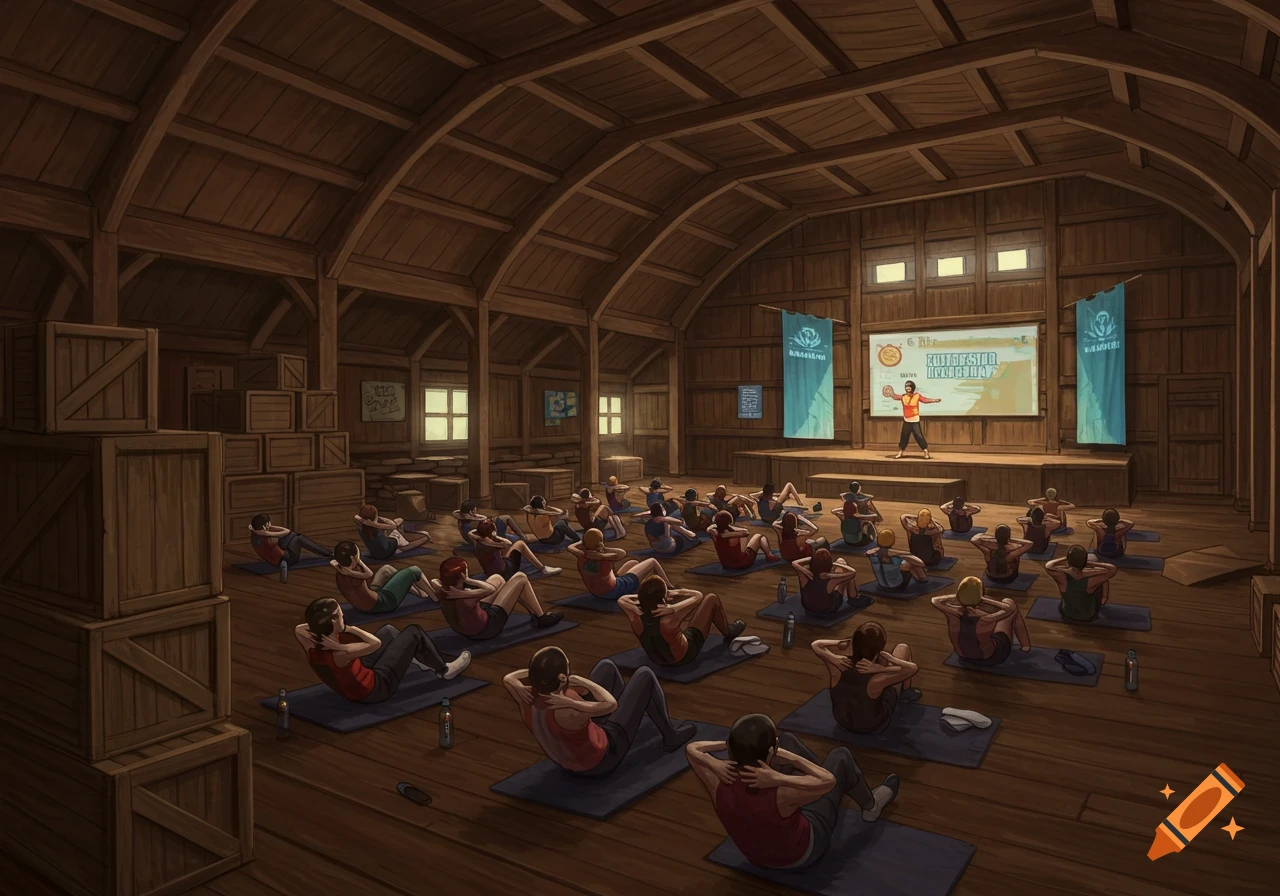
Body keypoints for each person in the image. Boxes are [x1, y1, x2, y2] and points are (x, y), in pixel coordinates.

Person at [686, 714, 899, 871]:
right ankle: (871, 806)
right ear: (770, 751)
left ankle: (797, 763)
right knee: (841, 756)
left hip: (754, 856)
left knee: (787, 739)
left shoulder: (716, 780)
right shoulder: (782, 791)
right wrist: (781, 775)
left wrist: (717, 760)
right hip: (802, 853)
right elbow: (827, 781)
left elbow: (693, 749)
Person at [502, 646, 696, 775]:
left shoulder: (524, 696)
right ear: (562, 678)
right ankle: (670, 737)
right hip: (602, 760)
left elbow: (510, 677)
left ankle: (632, 716)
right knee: (644, 675)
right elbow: (610, 704)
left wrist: (510, 680)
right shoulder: (569, 707)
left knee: (607, 667)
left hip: (567, 756)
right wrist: (581, 683)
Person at [293, 598, 470, 703]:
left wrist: (320, 624)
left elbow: (299, 629)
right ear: (332, 621)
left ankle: (419, 658)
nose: (343, 616)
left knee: (389, 631)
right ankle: (444, 670)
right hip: (375, 688)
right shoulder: (342, 653)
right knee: (414, 632)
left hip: (353, 680)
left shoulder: (311, 646)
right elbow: (375, 643)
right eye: (340, 615)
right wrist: (349, 629)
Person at [811, 622, 921, 734]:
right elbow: (911, 669)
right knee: (902, 648)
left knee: (883, 663)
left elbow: (816, 645)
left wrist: (835, 656)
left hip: (842, 721)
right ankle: (904, 693)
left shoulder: (837, 666)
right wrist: (882, 667)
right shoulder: (877, 679)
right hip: (874, 726)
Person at [618, 576, 745, 667]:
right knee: (712, 599)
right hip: (684, 657)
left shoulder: (635, 615)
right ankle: (728, 633)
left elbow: (622, 599)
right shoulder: (669, 618)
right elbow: (698, 596)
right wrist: (674, 605)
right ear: (664, 597)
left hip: (656, 660)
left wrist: (642, 598)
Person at [431, 556, 563, 639]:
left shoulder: (442, 590)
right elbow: (490, 590)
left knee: (497, 578)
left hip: (468, 621)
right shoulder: (465, 598)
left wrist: (460, 592)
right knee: (521, 577)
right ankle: (541, 617)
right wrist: (469, 582)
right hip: (487, 628)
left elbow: (433, 581)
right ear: (462, 576)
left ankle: (532, 611)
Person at [931, 576, 1031, 666]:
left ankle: (1023, 645)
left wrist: (960, 595)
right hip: (992, 659)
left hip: (963, 657)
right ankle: (1025, 646)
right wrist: (983, 599)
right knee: (1010, 602)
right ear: (981, 595)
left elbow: (935, 600)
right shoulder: (985, 618)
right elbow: (1010, 609)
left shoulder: (951, 613)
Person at [330, 540, 435, 614]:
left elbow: (333, 561)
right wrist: (357, 561)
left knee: (386, 569)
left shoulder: (340, 570)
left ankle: (418, 592)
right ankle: (435, 597)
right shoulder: (355, 573)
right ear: (353, 558)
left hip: (363, 605)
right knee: (414, 570)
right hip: (383, 603)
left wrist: (350, 563)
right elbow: (369, 573)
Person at [568, 527, 670, 600]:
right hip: (614, 590)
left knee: (633, 563)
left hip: (597, 591)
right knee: (652, 561)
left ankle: (640, 585)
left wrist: (586, 542)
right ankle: (669, 587)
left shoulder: (581, 554)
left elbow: (570, 547)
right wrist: (604, 552)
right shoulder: (605, 557)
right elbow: (622, 553)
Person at [466, 519, 562, 580]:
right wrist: (496, 538)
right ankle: (543, 568)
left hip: (490, 574)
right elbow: (508, 543)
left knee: (505, 554)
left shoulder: (477, 542)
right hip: (505, 573)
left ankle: (543, 568)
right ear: (493, 532)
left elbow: (470, 533)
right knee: (520, 544)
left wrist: (480, 535)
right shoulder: (494, 544)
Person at [1045, 546, 1118, 622]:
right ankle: (1104, 599)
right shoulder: (1091, 580)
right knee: (1101, 581)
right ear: (1084, 562)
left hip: (1067, 614)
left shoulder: (1062, 577)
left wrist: (1068, 558)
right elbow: (1112, 569)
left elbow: (1048, 565)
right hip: (1088, 616)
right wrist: (1090, 563)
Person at [793, 549, 860, 617]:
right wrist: (831, 573)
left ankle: (851, 595)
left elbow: (794, 563)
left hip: (808, 607)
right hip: (828, 610)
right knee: (843, 572)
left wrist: (805, 569)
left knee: (841, 564)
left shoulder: (803, 575)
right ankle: (853, 596)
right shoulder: (830, 580)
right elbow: (853, 572)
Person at [354, 504, 432, 561]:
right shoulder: (377, 527)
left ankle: (407, 538)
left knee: (399, 521)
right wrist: (374, 523)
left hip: (376, 554)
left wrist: (368, 522)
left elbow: (356, 517)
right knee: (421, 537)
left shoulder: (361, 528)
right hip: (389, 550)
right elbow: (393, 525)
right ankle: (421, 537)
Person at [884, 380, 940, 459]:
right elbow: (895, 396)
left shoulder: (917, 396)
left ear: (912, 387)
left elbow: (925, 400)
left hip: (915, 420)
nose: (908, 388)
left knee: (919, 436)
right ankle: (900, 452)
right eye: (906, 387)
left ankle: (926, 452)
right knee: (904, 437)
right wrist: (890, 393)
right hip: (906, 420)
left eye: (909, 386)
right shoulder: (903, 397)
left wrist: (934, 400)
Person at [248, 513, 331, 566]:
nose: (270, 524)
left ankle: (326, 553)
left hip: (274, 558)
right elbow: (286, 531)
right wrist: (272, 527)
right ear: (264, 525)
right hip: (286, 560)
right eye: (269, 523)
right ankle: (328, 554)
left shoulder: (254, 534)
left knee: (294, 536)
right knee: (298, 538)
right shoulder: (267, 538)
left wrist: (265, 528)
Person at [709, 510, 780, 570]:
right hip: (742, 563)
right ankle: (769, 555)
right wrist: (730, 529)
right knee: (759, 536)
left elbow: (709, 528)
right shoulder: (735, 535)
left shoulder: (714, 534)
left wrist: (724, 531)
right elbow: (746, 532)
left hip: (726, 564)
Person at [453, 500, 528, 543]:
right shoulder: (469, 524)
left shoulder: (462, 518)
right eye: (474, 510)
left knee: (510, 532)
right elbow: (481, 534)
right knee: (506, 518)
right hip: (488, 534)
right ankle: (523, 537)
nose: (476, 512)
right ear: (471, 511)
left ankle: (522, 537)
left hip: (483, 531)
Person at [833, 482, 879, 548]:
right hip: (857, 541)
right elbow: (873, 515)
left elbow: (841, 496)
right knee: (868, 523)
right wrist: (874, 515)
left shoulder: (843, 517)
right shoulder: (857, 516)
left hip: (847, 541)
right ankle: (875, 542)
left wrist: (843, 509)